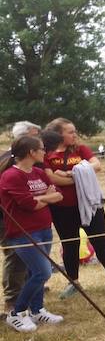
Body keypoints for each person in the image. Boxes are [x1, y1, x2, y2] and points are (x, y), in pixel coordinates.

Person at [43, 118, 105, 298]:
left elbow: (96, 165)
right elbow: (52, 179)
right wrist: (79, 176)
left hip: (90, 205)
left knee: (100, 241)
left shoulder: (80, 149)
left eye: (74, 131)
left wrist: (73, 173)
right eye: (70, 132)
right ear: (58, 134)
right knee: (70, 244)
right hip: (63, 208)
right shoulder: (47, 154)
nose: (74, 134)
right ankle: (74, 283)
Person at [0, 136, 66, 331]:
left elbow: (58, 195)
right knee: (42, 272)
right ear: (31, 152)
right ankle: (16, 313)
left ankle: (37, 310)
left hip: (45, 228)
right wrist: (47, 197)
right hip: (23, 232)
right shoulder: (11, 176)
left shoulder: (38, 172)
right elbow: (29, 205)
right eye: (42, 149)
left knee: (33, 272)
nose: (45, 152)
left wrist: (42, 198)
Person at [2, 121, 41, 315]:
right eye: (35, 135)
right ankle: (12, 301)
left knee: (27, 256)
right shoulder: (6, 160)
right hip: (6, 218)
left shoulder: (24, 162)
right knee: (15, 257)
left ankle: (29, 292)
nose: (38, 138)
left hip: (25, 217)